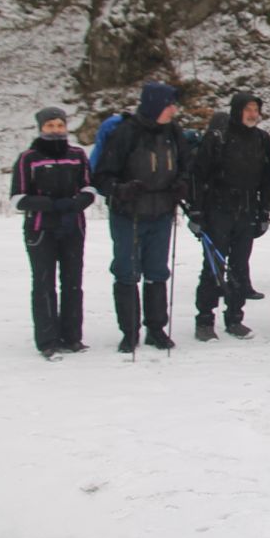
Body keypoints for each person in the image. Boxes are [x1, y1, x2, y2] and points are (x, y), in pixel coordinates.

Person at [93, 82, 193, 353]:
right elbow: (102, 175)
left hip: (162, 211)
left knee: (157, 271)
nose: (174, 109)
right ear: (155, 105)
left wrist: (182, 184)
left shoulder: (173, 132)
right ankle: (129, 331)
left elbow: (187, 165)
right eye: (169, 104)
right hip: (129, 213)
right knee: (127, 271)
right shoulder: (126, 133)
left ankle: (156, 328)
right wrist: (120, 189)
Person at [10, 106, 94, 359]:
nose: (56, 130)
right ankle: (47, 340)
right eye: (50, 126)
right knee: (44, 283)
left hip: (72, 227)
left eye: (59, 125)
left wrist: (77, 202)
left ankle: (72, 336)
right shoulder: (28, 158)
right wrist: (50, 204)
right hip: (40, 228)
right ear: (41, 128)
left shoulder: (77, 155)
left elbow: (89, 188)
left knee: (73, 283)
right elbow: (18, 198)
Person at [190, 91, 270, 341]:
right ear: (237, 111)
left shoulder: (262, 139)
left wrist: (264, 210)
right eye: (248, 109)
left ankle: (235, 317)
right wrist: (197, 210)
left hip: (247, 210)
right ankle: (205, 319)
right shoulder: (218, 137)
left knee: (239, 266)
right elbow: (198, 175)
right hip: (218, 209)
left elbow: (267, 178)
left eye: (255, 110)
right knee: (213, 266)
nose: (252, 114)